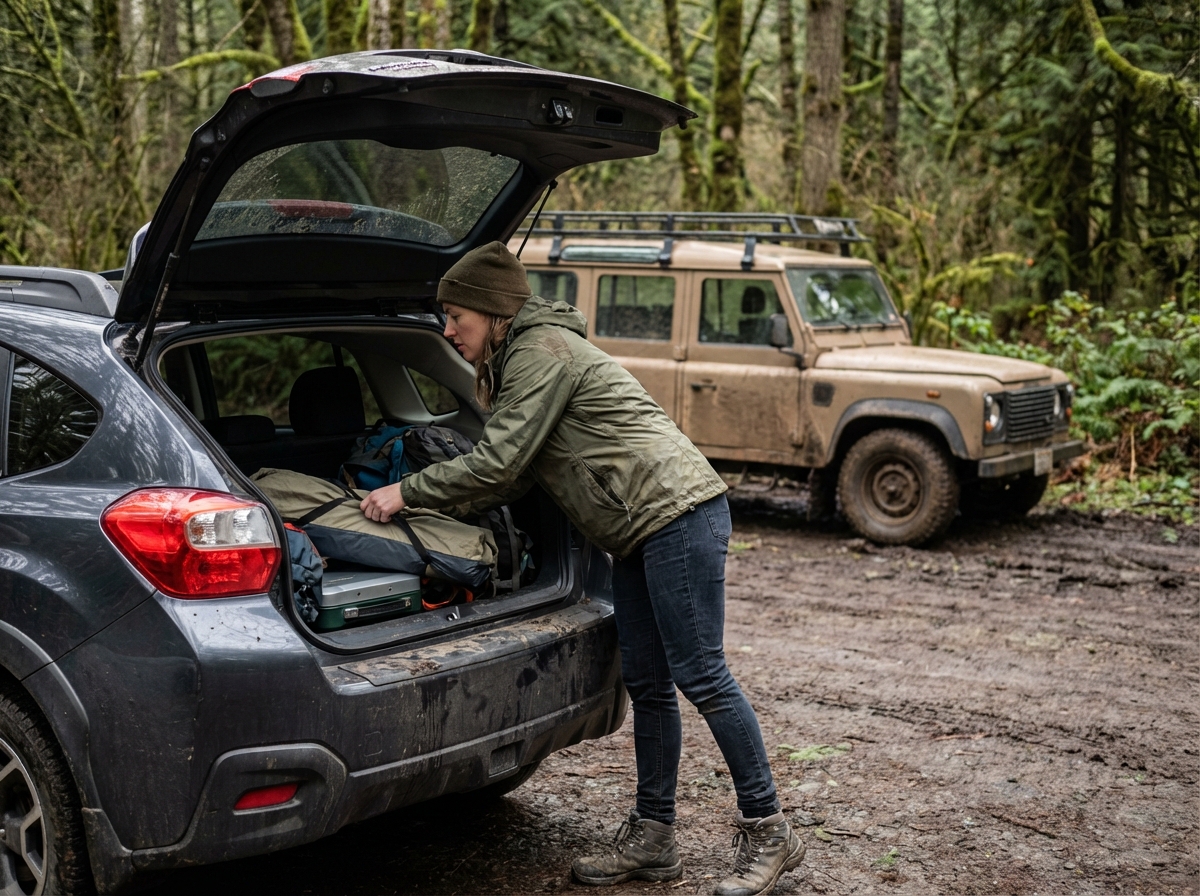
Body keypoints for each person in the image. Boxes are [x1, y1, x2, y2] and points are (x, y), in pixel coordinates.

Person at [360, 241, 803, 896]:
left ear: (493, 311)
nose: (448, 330)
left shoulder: (540, 352)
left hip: (676, 515)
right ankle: (654, 836)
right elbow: (516, 476)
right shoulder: (518, 357)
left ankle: (769, 829)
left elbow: (499, 465)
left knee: (701, 674)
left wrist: (407, 492)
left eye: (456, 316)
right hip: (637, 529)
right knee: (647, 683)